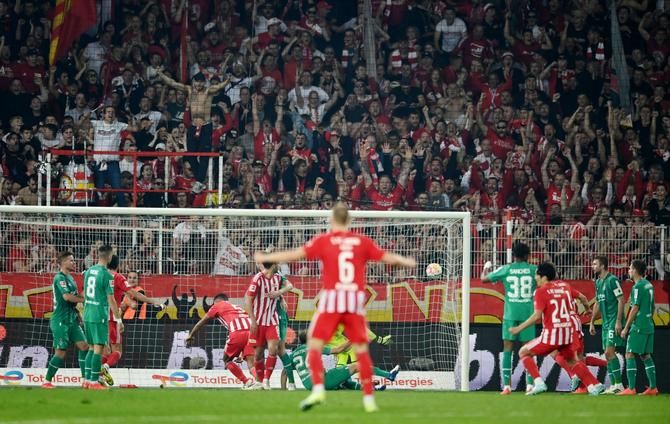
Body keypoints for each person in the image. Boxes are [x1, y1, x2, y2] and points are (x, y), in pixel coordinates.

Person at [254, 202, 416, 412]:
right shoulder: (361, 241)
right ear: (349, 220)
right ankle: (369, 400)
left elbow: (295, 254)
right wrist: (406, 261)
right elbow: (387, 258)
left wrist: (268, 257)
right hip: (353, 301)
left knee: (314, 344)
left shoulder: (325, 240)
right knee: (361, 350)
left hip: (332, 300)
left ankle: (317, 391)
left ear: (331, 220)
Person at [509, 262, 604, 396]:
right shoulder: (565, 286)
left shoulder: (540, 291)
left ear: (543, 276)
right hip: (567, 333)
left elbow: (537, 316)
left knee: (523, 352)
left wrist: (519, 328)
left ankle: (539, 382)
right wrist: (587, 309)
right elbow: (580, 298)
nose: (535, 277)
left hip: (552, 334)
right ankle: (593, 386)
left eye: (536, 275)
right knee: (573, 361)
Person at [156, 69, 230, 192]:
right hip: (193, 126)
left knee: (205, 155)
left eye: (201, 82)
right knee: (190, 154)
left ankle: (199, 182)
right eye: (197, 82)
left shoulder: (208, 91)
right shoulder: (189, 90)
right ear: (193, 82)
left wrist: (227, 79)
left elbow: (220, 86)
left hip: (206, 126)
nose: (199, 84)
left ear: (204, 83)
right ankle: (199, 180)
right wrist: (160, 74)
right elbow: (172, 83)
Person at [481, 241, 537, 394]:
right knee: (528, 350)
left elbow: (483, 279)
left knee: (507, 349)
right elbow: (549, 280)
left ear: (514, 256)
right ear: (527, 255)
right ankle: (530, 385)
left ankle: (506, 386)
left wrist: (486, 268)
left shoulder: (507, 269)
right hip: (528, 315)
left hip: (510, 315)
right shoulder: (533, 270)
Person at [99, 254, 164, 386]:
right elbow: (133, 295)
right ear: (118, 265)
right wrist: (153, 301)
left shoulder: (100, 276)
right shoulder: (118, 277)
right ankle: (105, 367)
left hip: (97, 317)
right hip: (112, 317)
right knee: (117, 350)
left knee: (103, 350)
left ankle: (97, 377)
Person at [186, 293, 258, 390]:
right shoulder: (237, 307)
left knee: (227, 360)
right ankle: (260, 382)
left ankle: (247, 382)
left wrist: (191, 335)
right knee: (251, 363)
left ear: (215, 302)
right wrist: (241, 352)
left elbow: (201, 322)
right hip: (252, 332)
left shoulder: (217, 306)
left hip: (237, 332)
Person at [284, 331, 400, 391]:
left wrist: (287, 387)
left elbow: (285, 371)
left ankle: (371, 387)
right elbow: (338, 349)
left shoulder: (293, 354)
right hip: (323, 381)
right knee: (357, 366)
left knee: (344, 381)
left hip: (309, 386)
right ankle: (389, 375)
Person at [41, 251, 89, 389]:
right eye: (71, 260)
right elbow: (67, 297)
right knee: (61, 352)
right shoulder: (59, 278)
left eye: (73, 260)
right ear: (62, 262)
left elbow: (76, 298)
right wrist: (84, 300)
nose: (74, 262)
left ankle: (85, 379)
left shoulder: (71, 278)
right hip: (60, 320)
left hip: (72, 319)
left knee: (84, 346)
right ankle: (47, 381)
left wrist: (78, 314)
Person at [82, 244, 122, 390]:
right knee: (98, 349)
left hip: (87, 313)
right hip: (99, 315)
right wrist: (118, 319)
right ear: (109, 256)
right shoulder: (106, 275)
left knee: (91, 348)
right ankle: (94, 382)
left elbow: (85, 293)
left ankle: (86, 380)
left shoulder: (89, 271)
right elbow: (111, 299)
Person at [618, 260, 658, 395]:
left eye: (630, 268)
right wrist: (648, 319)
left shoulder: (637, 287)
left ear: (635, 270)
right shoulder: (649, 285)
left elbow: (635, 308)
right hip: (649, 324)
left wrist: (626, 328)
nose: (629, 271)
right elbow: (652, 306)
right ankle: (653, 387)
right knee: (645, 355)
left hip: (639, 325)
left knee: (629, 353)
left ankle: (631, 388)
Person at [588, 256, 625, 394]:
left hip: (613, 321)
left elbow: (621, 300)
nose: (592, 266)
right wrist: (592, 322)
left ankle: (619, 384)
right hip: (605, 323)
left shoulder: (612, 280)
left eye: (595, 264)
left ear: (602, 266)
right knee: (607, 354)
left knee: (609, 352)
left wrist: (618, 321)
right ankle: (614, 385)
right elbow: (597, 302)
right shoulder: (598, 282)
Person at [244, 260, 282, 390]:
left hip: (272, 320)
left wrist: (280, 295)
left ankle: (266, 380)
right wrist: (253, 320)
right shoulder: (257, 279)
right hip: (259, 321)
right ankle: (259, 381)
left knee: (273, 349)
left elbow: (289, 286)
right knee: (258, 354)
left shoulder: (278, 277)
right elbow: (248, 299)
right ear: (273, 265)